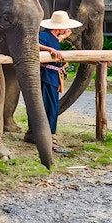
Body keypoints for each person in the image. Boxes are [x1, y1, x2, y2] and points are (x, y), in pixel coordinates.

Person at [38, 10, 82, 154]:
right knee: (50, 107)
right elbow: (34, 45)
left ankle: (48, 136)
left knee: (53, 106)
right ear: (59, 26)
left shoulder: (52, 36)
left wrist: (62, 37)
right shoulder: (44, 36)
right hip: (47, 76)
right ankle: (49, 139)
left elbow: (54, 41)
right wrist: (49, 49)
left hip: (53, 76)